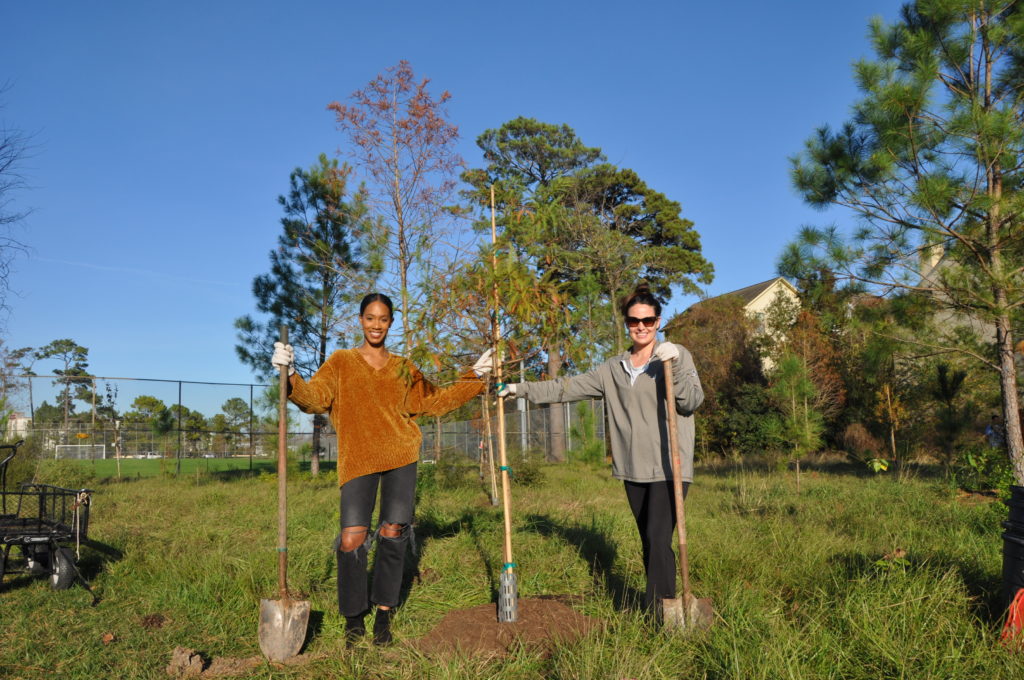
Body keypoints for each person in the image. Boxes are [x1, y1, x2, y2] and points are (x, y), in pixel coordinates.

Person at [271, 293, 494, 646]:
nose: (377, 325)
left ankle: (384, 614)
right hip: (358, 458)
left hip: (400, 455)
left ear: (391, 322)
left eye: (384, 319)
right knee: (352, 538)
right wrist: (291, 374)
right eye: (370, 318)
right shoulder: (341, 362)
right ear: (360, 320)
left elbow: (435, 400)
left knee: (393, 531)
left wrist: (475, 376)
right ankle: (354, 618)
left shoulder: (404, 367)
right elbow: (313, 399)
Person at [498, 284, 703, 618]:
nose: (642, 326)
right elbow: (565, 388)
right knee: (650, 542)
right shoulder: (613, 369)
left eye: (648, 320)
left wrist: (677, 363)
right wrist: (518, 389)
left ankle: (660, 612)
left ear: (658, 321)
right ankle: (661, 604)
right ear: (626, 323)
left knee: (658, 535)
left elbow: (692, 401)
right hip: (633, 468)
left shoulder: (674, 357)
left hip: (670, 467)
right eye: (635, 321)